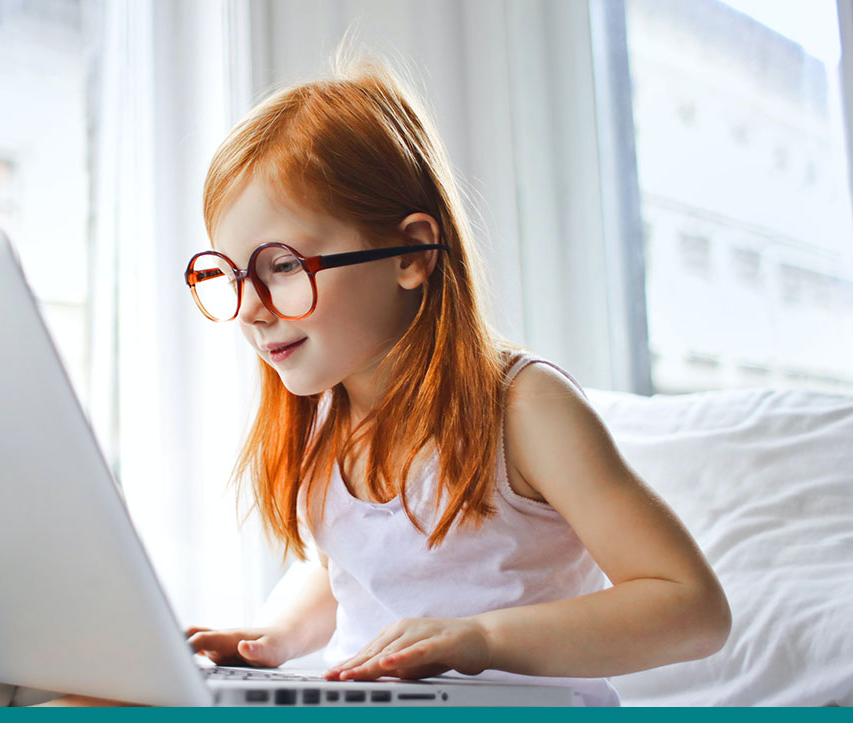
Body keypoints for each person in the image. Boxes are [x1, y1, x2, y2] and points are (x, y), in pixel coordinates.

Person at [181, 53, 730, 706]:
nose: (249, 306)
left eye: (282, 265)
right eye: (231, 276)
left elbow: (692, 607)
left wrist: (482, 638)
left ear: (411, 253)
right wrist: (270, 636)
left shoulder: (526, 409)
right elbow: (341, 570)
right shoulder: (327, 420)